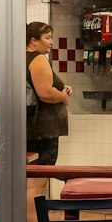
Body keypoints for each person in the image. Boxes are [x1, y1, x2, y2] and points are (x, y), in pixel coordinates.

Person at [26, 21, 72, 165]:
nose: (51, 42)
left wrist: (62, 87)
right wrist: (63, 96)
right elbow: (46, 93)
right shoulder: (38, 59)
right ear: (33, 41)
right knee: (37, 182)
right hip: (43, 129)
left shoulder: (20, 58)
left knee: (28, 178)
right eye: (47, 38)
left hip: (30, 127)